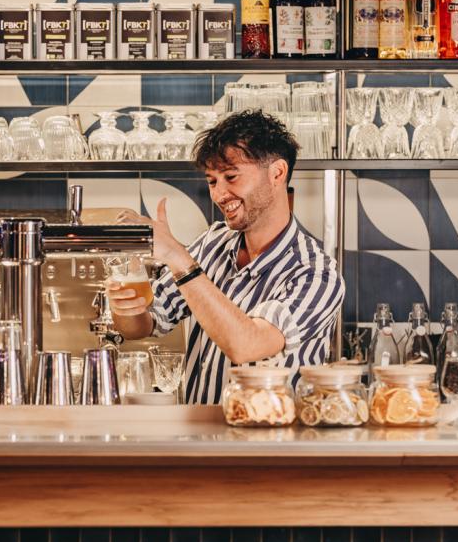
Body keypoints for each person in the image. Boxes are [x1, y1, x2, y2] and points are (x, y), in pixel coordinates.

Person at [108, 109, 346, 404]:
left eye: (231, 177)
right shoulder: (213, 243)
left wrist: (176, 256)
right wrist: (125, 306)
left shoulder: (316, 274)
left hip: (270, 432)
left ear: (277, 173)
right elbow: (144, 325)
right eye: (212, 181)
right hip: (199, 430)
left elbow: (247, 345)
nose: (219, 195)